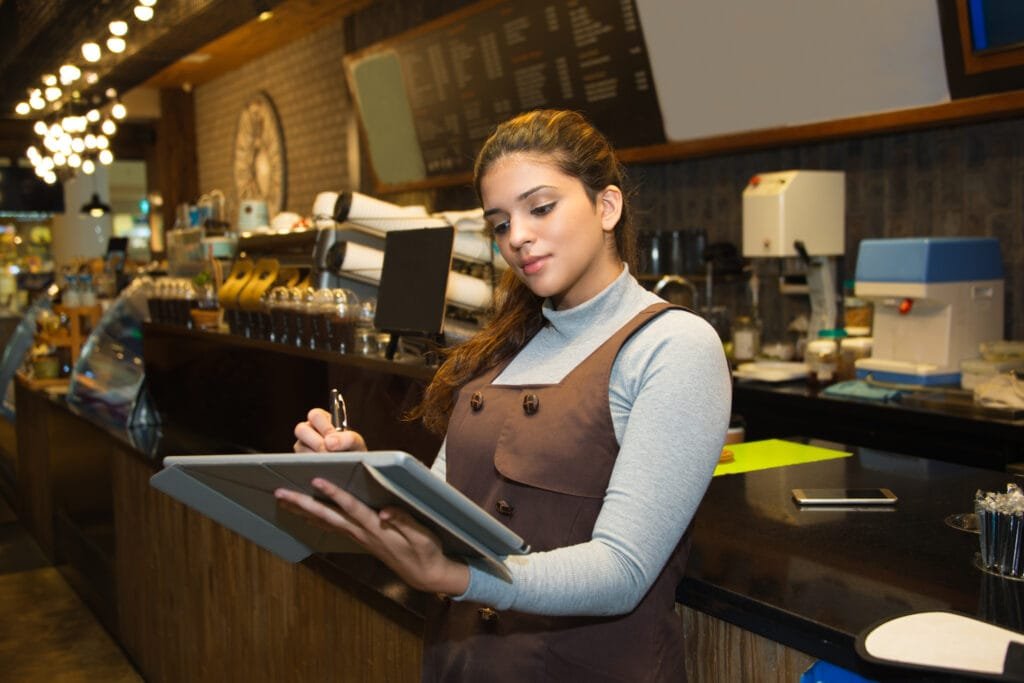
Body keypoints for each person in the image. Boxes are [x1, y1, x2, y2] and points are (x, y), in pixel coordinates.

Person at [280, 109, 731, 681]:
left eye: (540, 208)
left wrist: (460, 578)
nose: (517, 237)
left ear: (607, 206)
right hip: (462, 663)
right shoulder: (498, 348)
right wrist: (364, 478)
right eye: (499, 223)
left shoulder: (673, 346)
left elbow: (622, 570)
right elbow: (444, 517)